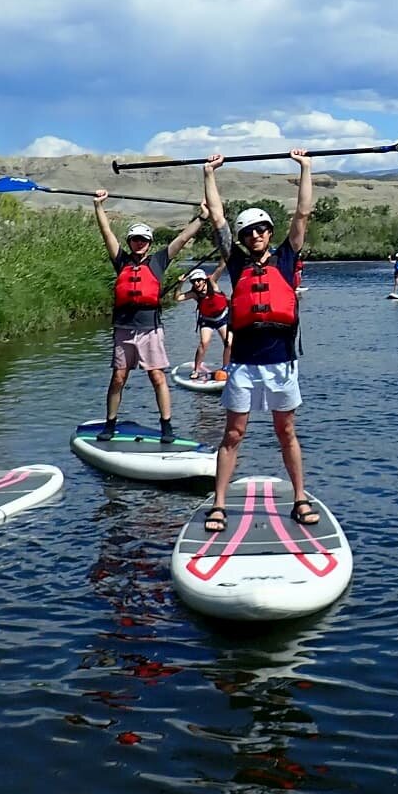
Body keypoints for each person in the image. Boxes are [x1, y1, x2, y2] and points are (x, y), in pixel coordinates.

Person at [201, 149, 315, 534]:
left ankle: (300, 497)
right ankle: (219, 503)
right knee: (233, 434)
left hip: (282, 363)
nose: (255, 236)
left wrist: (305, 168)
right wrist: (209, 174)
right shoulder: (235, 262)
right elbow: (217, 218)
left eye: (261, 229)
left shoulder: (285, 257)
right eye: (249, 232)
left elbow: (301, 214)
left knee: (286, 432)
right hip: (245, 364)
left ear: (269, 231)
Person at [94, 192, 207, 444]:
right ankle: (110, 423)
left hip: (150, 330)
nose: (139, 243)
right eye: (135, 239)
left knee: (157, 377)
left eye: (143, 240)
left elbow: (183, 237)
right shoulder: (121, 261)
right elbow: (107, 233)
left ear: (150, 242)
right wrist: (98, 206)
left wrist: (202, 218)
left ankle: (166, 425)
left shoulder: (159, 260)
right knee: (118, 377)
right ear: (130, 241)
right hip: (124, 329)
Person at [176, 262, 232, 379]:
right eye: (193, 281)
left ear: (204, 280)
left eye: (198, 280)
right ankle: (196, 370)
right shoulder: (195, 294)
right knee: (204, 343)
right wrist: (180, 284)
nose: (196, 283)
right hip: (207, 320)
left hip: (222, 317)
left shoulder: (213, 284)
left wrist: (225, 254)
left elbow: (221, 267)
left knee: (229, 343)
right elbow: (177, 298)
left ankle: (226, 368)